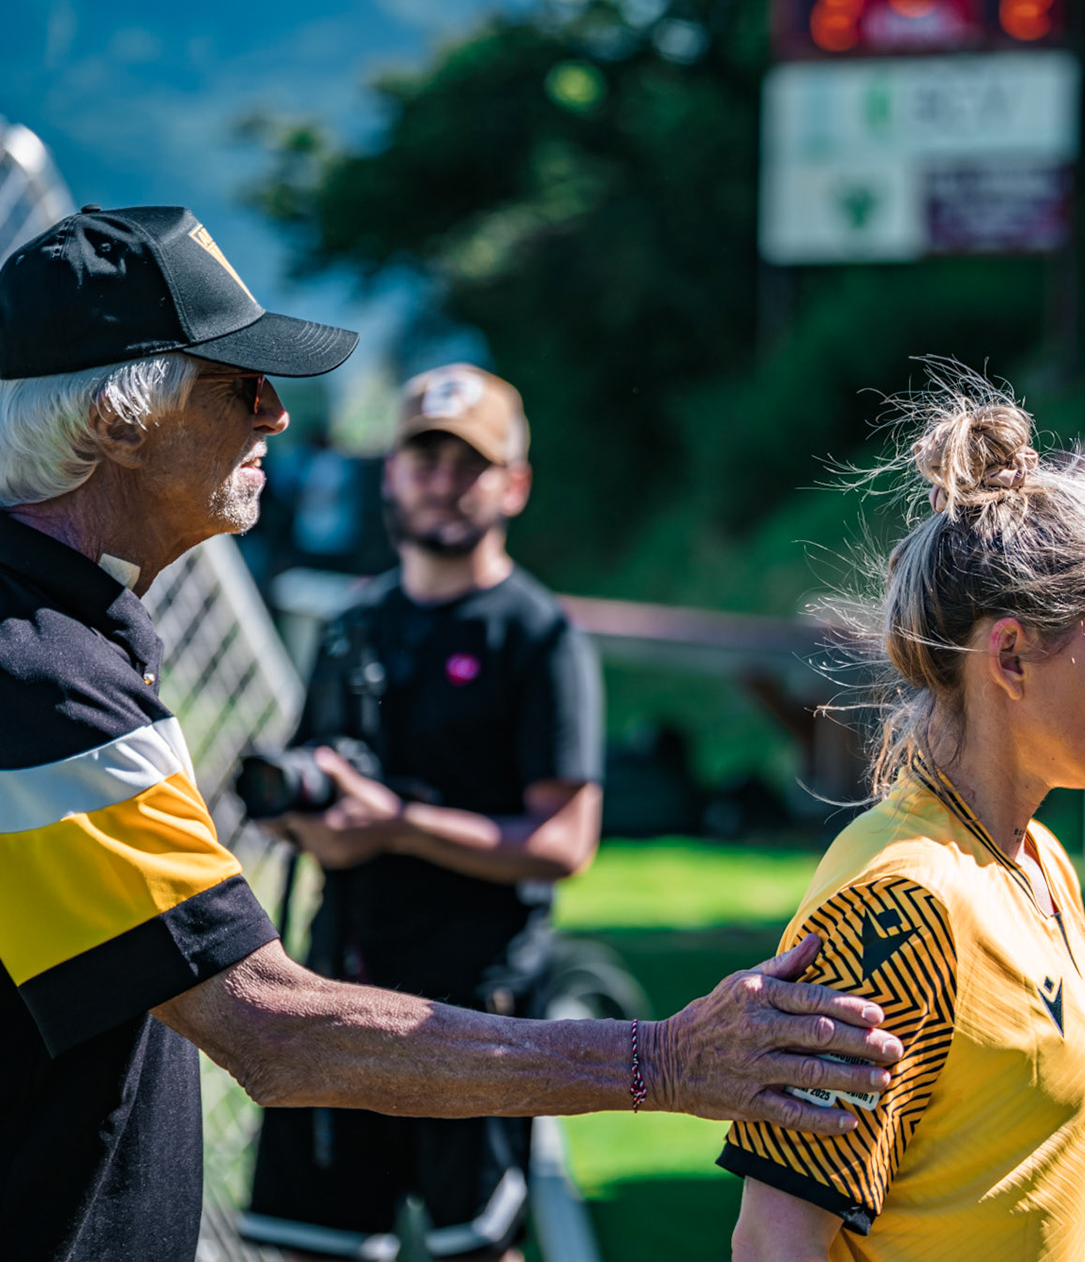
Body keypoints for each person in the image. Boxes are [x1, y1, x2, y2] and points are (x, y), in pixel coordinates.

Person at [0, 205, 902, 1262]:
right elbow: (267, 1024)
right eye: (238, 383)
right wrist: (662, 1058)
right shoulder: (43, 672)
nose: (277, 417)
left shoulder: (62, 638)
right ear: (117, 422)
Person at [724, 374, 1085, 1261]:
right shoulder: (900, 906)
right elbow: (775, 1237)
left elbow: (1076, 1147)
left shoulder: (1036, 860)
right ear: (1010, 656)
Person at [242, 363, 603, 1260]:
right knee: (305, 1247)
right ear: (391, 473)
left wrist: (400, 825)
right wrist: (313, 825)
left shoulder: (538, 635)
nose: (442, 481)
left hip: (474, 1008)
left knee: (473, 1250)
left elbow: (565, 841)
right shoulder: (352, 624)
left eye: (467, 464)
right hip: (333, 992)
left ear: (513, 484)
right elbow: (300, 795)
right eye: (422, 459)